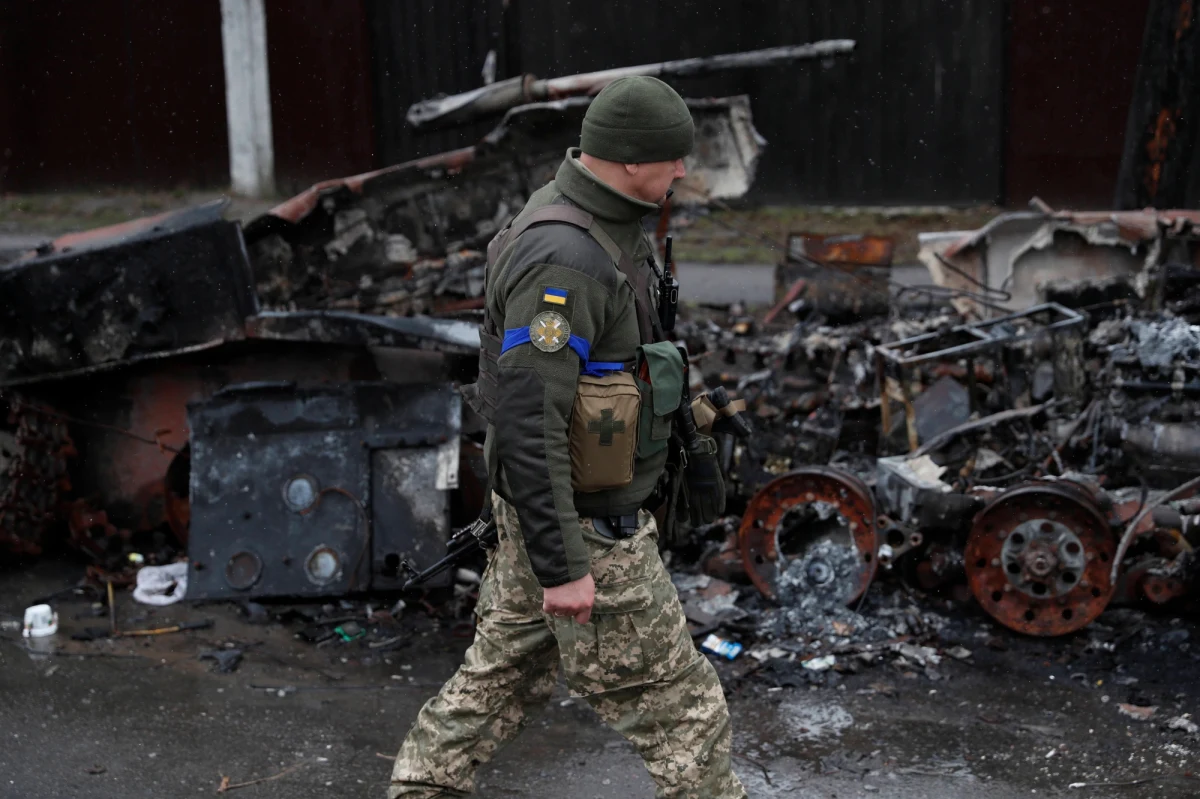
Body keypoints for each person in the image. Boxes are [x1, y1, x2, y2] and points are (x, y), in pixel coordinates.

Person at [389, 75, 746, 799]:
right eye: (674, 156)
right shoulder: (565, 260)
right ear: (630, 158)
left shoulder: (603, 224)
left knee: (497, 683)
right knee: (684, 710)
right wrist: (563, 565)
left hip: (556, 517)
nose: (684, 170)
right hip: (587, 531)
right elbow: (527, 420)